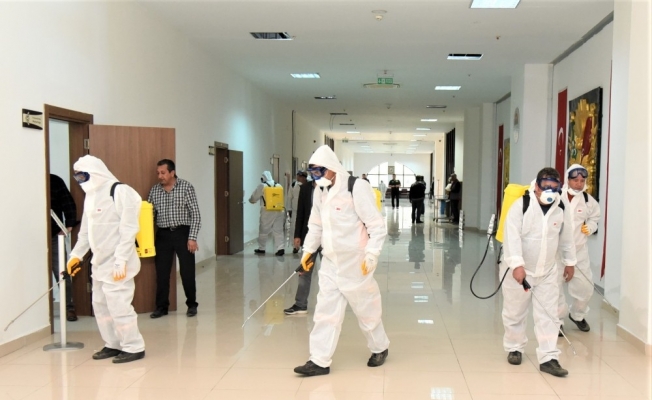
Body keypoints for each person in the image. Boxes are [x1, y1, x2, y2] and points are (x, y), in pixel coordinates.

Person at [294, 145, 389, 377]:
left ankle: (380, 347)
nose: (316, 177)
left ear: (331, 168)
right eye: (312, 173)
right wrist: (308, 253)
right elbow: (315, 226)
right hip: (331, 262)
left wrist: (372, 254)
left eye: (319, 172)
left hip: (356, 263)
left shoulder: (356, 187)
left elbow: (376, 225)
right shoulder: (320, 191)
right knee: (325, 312)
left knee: (366, 310)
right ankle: (319, 360)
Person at [66, 155, 145, 363]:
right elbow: (85, 233)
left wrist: (121, 260)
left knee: (120, 307)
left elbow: (129, 230)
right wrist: (75, 255)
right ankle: (113, 344)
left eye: (83, 176)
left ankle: (134, 346)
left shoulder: (120, 191)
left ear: (95, 172)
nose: (80, 181)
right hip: (99, 264)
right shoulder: (90, 197)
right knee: (101, 306)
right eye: (76, 177)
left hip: (119, 263)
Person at [501, 167, 576, 377]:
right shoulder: (521, 206)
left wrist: (570, 262)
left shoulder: (561, 207)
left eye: (554, 186)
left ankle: (549, 357)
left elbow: (567, 237)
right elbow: (511, 237)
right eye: (545, 186)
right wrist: (517, 265)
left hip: (548, 271)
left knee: (549, 315)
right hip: (519, 271)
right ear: (536, 186)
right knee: (515, 311)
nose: (550, 191)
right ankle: (514, 347)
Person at [148, 159, 202, 318]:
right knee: (162, 272)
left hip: (182, 234)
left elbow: (195, 215)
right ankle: (161, 307)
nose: (160, 176)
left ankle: (191, 304)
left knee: (187, 271)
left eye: (163, 173)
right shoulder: (155, 191)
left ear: (172, 172)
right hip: (163, 235)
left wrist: (192, 238)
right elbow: (149, 216)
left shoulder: (186, 187)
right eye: (158, 173)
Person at [557, 164, 601, 334]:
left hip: (579, 251)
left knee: (586, 287)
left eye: (582, 181)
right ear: (567, 180)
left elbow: (595, 218)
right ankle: (557, 321)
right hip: (557, 252)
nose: (579, 184)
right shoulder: (556, 197)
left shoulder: (589, 201)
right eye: (575, 180)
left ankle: (577, 315)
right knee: (555, 287)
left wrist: (590, 227)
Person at [284, 177, 318, 315]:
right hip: (310, 236)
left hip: (328, 237)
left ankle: (332, 306)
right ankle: (300, 304)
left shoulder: (332, 187)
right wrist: (297, 235)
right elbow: (300, 213)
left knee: (331, 272)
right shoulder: (305, 188)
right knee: (304, 271)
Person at [49, 174, 78, 322]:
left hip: (54, 235)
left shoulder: (54, 180)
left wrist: (69, 224)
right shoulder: (25, 180)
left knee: (61, 272)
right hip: (32, 237)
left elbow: (67, 202)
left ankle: (69, 307)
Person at [249, 171, 285, 256]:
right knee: (278, 230)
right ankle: (280, 248)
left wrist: (251, 200)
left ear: (263, 178)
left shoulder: (262, 186)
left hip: (267, 211)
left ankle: (262, 248)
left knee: (263, 230)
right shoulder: (279, 185)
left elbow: (254, 197)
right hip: (279, 210)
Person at [286, 171, 308, 254]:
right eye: (298, 176)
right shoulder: (293, 185)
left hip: (306, 211)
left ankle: (305, 246)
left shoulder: (308, 185)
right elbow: (289, 197)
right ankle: (295, 246)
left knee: (306, 228)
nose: (298, 178)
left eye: (300, 176)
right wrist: (289, 209)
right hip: (295, 210)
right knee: (294, 228)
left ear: (304, 177)